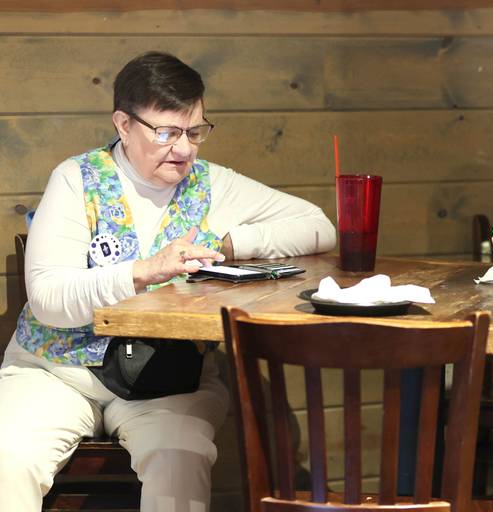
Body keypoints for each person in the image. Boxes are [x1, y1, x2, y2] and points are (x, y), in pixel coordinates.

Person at [0, 51, 336, 511]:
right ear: (123, 124)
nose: (183, 149)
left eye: (195, 131)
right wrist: (143, 271)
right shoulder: (76, 180)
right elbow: (47, 301)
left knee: (180, 459)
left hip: (166, 377)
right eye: (166, 132)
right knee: (7, 458)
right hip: (57, 371)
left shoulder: (211, 183)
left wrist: (230, 242)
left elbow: (318, 225)